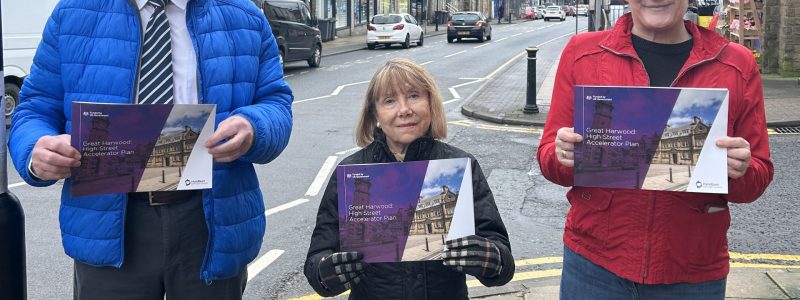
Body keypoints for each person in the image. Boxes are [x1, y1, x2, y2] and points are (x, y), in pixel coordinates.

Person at [8, 0, 293, 299]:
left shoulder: (244, 15)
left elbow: (276, 102)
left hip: (211, 226)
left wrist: (255, 126)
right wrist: (34, 149)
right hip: (109, 226)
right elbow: (35, 108)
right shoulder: (73, 13)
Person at [537, 0, 773, 299]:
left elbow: (757, 178)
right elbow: (548, 160)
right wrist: (562, 155)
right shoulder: (582, 53)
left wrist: (740, 170)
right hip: (594, 266)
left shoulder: (736, 64)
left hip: (692, 271)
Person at [303, 58, 515, 299]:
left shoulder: (462, 166)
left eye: (414, 96)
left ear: (430, 103)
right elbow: (317, 259)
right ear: (375, 113)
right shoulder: (352, 172)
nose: (404, 110)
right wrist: (326, 271)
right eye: (390, 100)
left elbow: (503, 260)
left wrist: (490, 258)